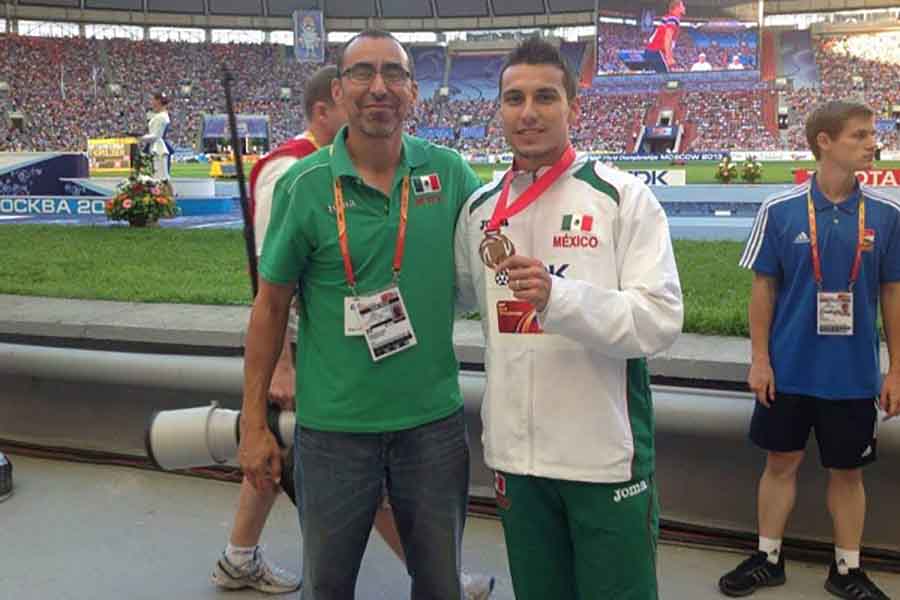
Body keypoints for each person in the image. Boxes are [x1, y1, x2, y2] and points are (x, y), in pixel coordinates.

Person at [214, 62, 495, 600]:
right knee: (329, 585)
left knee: (440, 584)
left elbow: (499, 250)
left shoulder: (451, 172)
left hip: (431, 426)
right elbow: (269, 307)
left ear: (413, 91)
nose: (379, 86)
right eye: (362, 73)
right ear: (339, 93)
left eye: (395, 73)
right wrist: (253, 421)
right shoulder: (303, 182)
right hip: (333, 431)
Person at [455, 38, 684, 600]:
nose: (527, 112)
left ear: (573, 108)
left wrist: (560, 299)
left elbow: (659, 319)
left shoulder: (621, 197)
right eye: (514, 98)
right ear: (500, 109)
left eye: (544, 97)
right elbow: (461, 298)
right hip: (515, 457)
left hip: (602, 456)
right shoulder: (480, 208)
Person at [721, 101, 900, 598]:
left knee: (848, 473)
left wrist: (896, 371)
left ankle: (847, 569)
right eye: (861, 135)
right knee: (780, 463)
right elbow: (763, 290)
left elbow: (893, 293)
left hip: (853, 373)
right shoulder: (779, 211)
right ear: (825, 141)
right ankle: (768, 558)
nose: (873, 143)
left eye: (872, 135)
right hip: (789, 370)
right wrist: (760, 360)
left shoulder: (887, 215)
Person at [645, 0, 686, 71]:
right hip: (657, 52)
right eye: (683, 6)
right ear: (677, 7)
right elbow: (668, 37)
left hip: (651, 51)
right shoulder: (673, 18)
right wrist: (669, 57)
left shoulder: (666, 17)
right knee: (666, 79)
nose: (685, 8)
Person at [141, 92, 173, 181]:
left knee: (161, 175)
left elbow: (156, 136)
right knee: (158, 175)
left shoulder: (161, 117)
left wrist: (140, 138)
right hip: (155, 146)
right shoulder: (160, 115)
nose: (152, 102)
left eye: (153, 100)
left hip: (158, 147)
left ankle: (166, 193)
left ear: (158, 101)